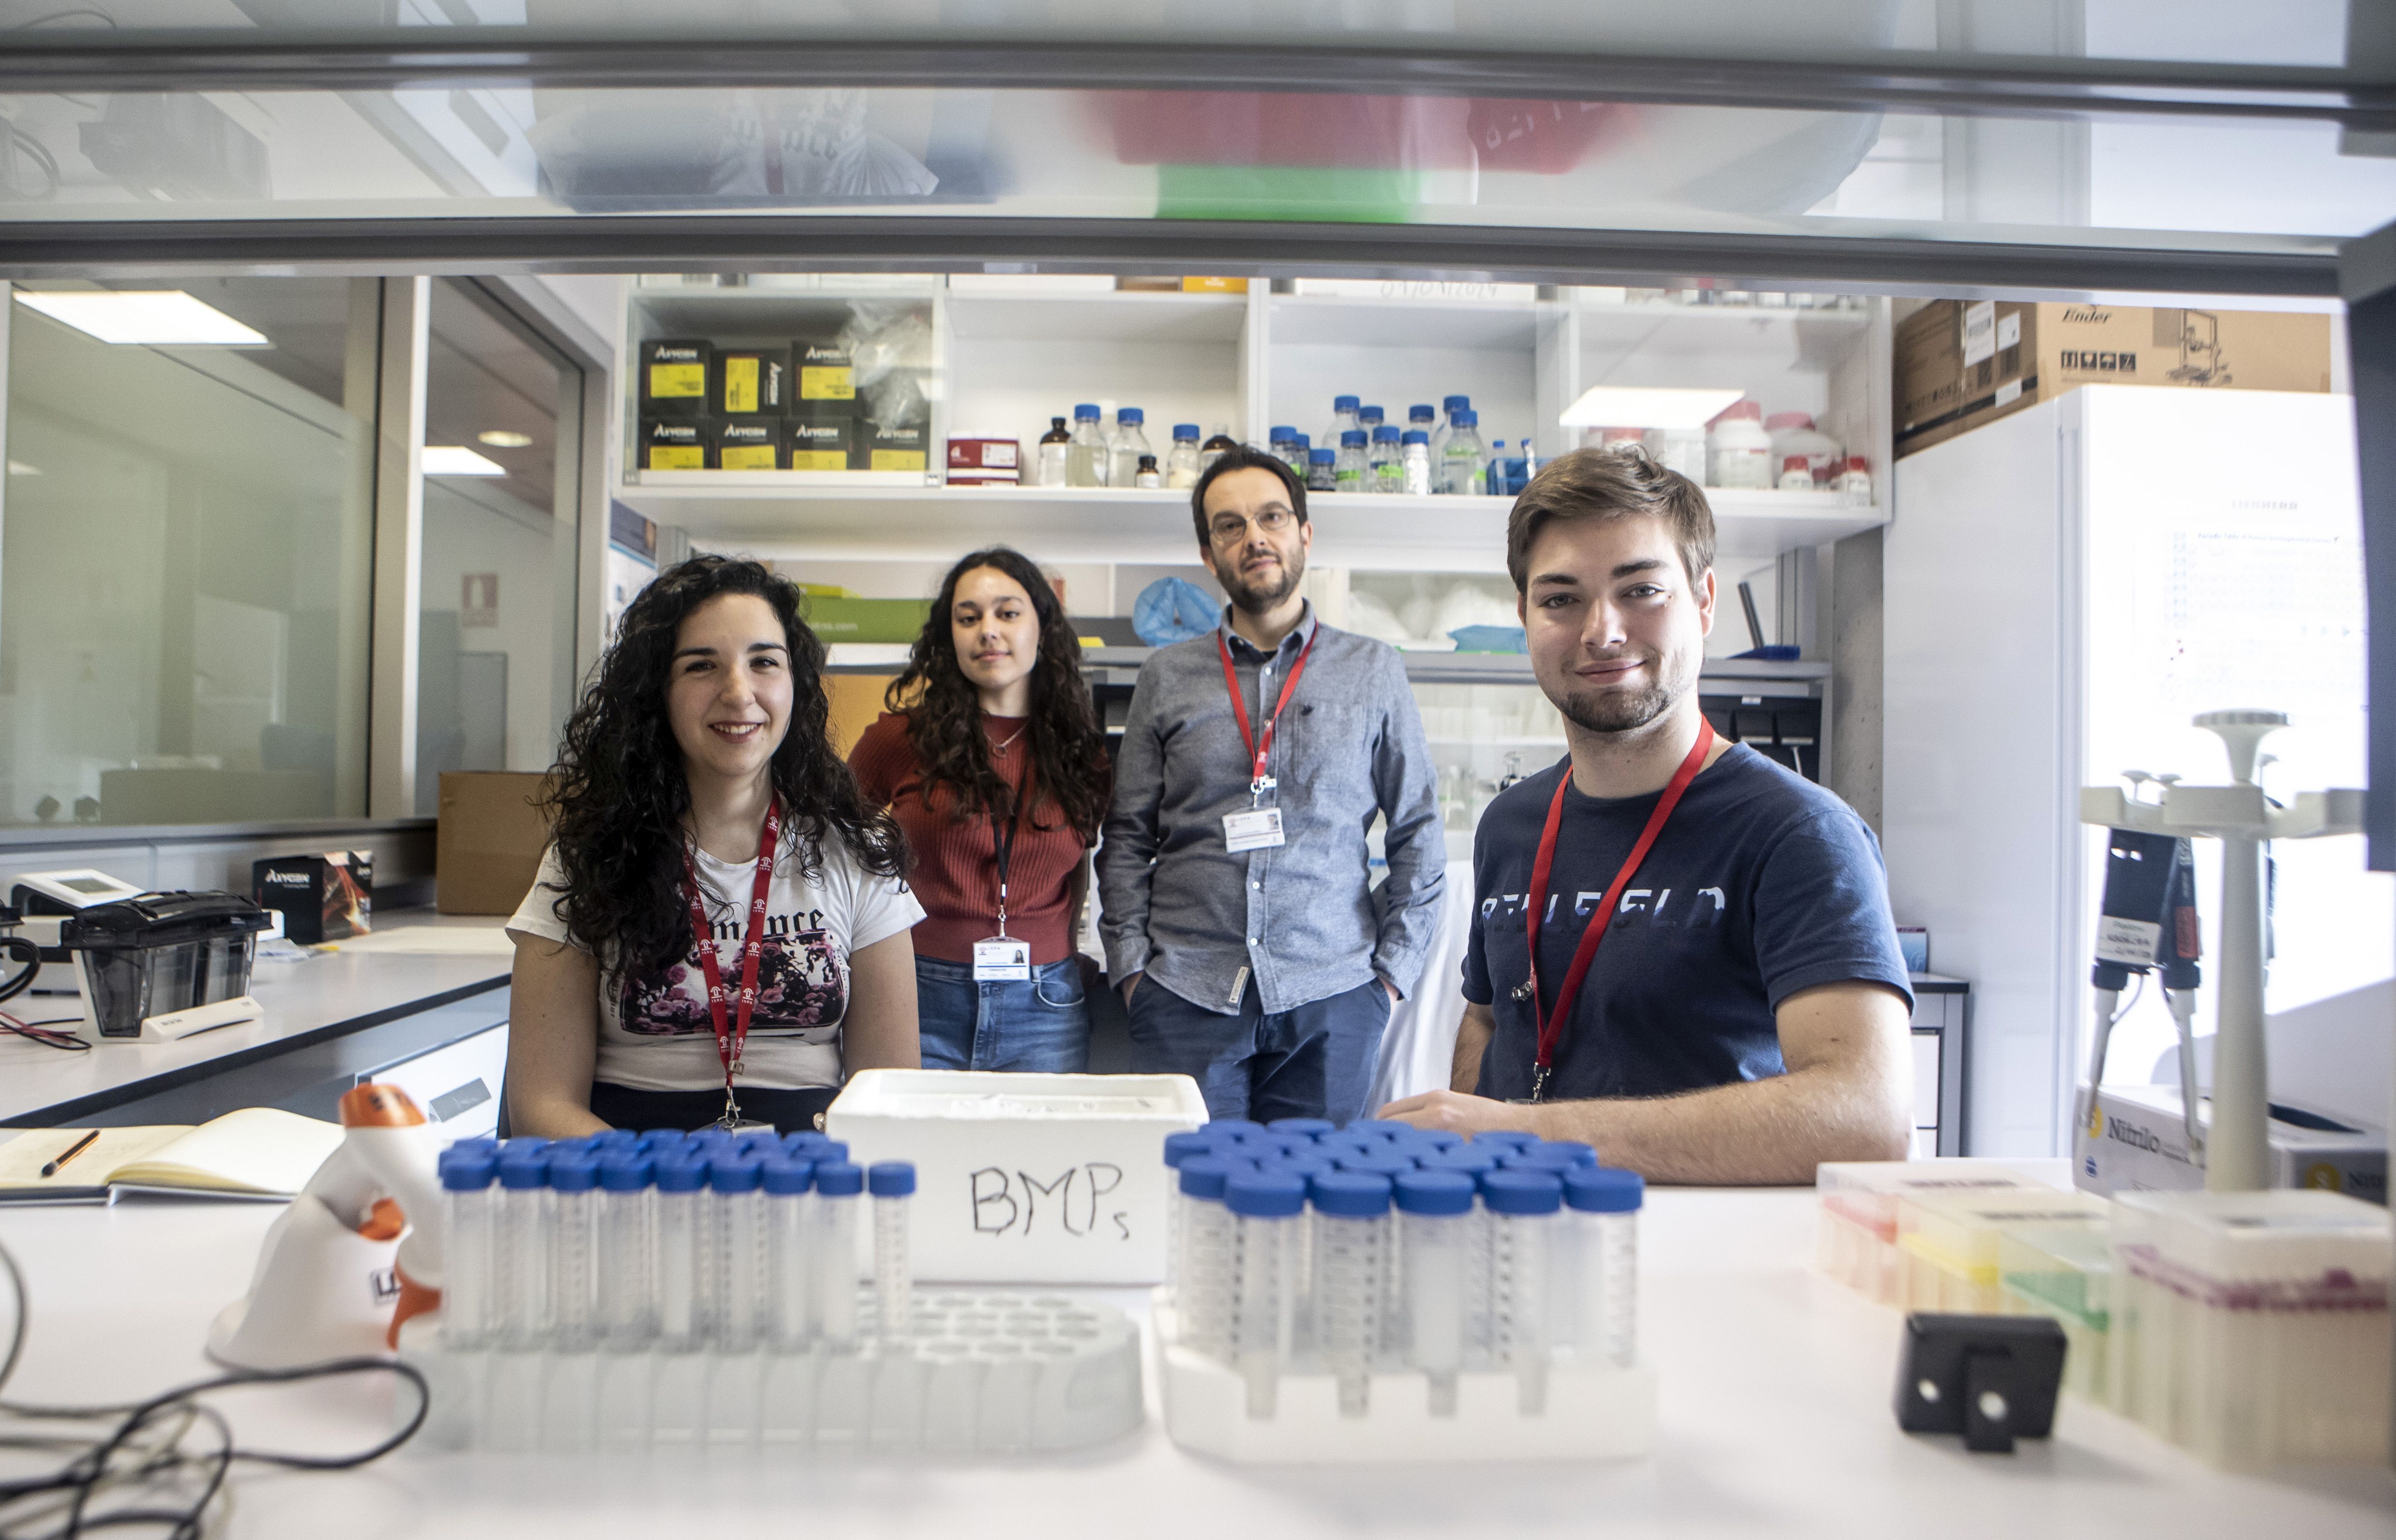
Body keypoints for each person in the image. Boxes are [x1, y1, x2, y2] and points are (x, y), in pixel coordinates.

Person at [1379, 448, 1913, 1182]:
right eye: (1560, 599)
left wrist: (1531, 1134)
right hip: (1518, 1251)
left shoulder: (1796, 834)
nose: (1601, 630)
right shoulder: (1512, 823)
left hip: (1698, 1268)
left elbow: (1866, 1118)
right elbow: (1491, 1018)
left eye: (1640, 591)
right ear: (1524, 616)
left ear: (1703, 601)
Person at [505, 555, 923, 1135]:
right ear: (660, 691)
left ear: (794, 683)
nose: (738, 691)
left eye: (764, 663)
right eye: (702, 666)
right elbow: (541, 1105)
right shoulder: (586, 854)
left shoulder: (856, 849)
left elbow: (890, 1096)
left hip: (803, 1174)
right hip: (626, 1175)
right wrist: (673, 1186)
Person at [1100, 445, 1445, 1122]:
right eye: (1229, 525)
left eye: (1272, 517)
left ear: (1304, 534)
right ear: (1209, 555)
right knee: (1192, 1207)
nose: (1253, 537)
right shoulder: (1166, 676)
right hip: (1184, 994)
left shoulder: (1373, 670)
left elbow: (1418, 831)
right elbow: (1126, 835)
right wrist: (1132, 969)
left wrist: (1389, 980)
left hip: (1334, 997)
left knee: (1315, 1211)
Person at [849, 547, 1112, 1072]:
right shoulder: (900, 739)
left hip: (1045, 1002)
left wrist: (1060, 942)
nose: (987, 630)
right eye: (968, 618)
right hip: (916, 991)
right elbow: (831, 841)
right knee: (914, 1154)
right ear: (950, 637)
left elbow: (1075, 863)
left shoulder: (1080, 751)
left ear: (1043, 627)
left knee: (1037, 1157)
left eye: (1008, 613)